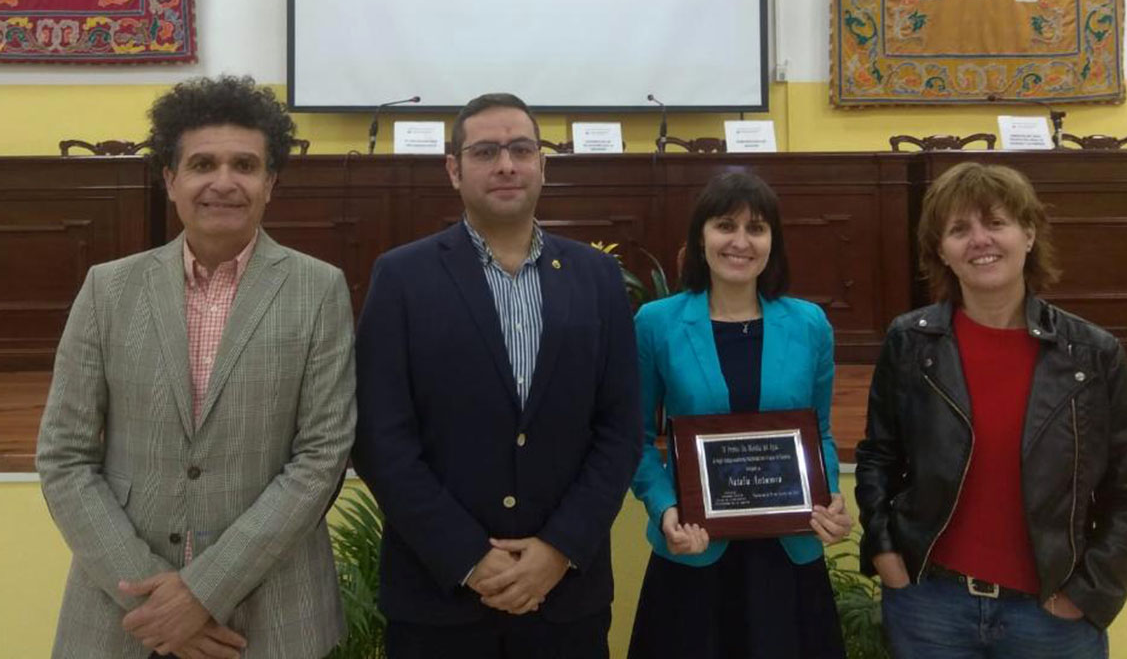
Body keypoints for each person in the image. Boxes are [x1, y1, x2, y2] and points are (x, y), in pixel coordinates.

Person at [36, 75, 357, 659]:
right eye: (203, 163)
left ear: (270, 183)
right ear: (170, 180)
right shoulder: (108, 289)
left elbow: (320, 459)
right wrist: (153, 602)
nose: (224, 182)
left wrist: (201, 594)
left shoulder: (319, 289)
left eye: (245, 165)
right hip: (124, 617)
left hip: (271, 617)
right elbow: (64, 457)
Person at [353, 92, 641, 658]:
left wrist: (558, 549)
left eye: (520, 149)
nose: (506, 164)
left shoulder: (598, 277)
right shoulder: (402, 277)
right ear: (454, 169)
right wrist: (468, 558)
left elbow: (620, 428)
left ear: (542, 164)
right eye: (485, 151)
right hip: (439, 599)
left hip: (564, 598)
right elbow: (381, 438)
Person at [855, 162, 1127, 658]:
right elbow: (878, 458)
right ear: (942, 251)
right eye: (959, 230)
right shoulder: (909, 342)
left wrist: (1090, 592)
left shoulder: (1093, 354)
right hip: (930, 605)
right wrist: (886, 553)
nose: (979, 240)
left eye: (995, 223)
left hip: (1051, 615)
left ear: (1028, 234)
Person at [627, 171, 852, 659]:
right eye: (725, 225)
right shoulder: (657, 324)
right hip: (693, 550)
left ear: (774, 241)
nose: (741, 242)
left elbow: (822, 434)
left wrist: (829, 495)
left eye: (757, 228)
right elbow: (635, 439)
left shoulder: (809, 323)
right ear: (700, 236)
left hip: (787, 555)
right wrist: (666, 509)